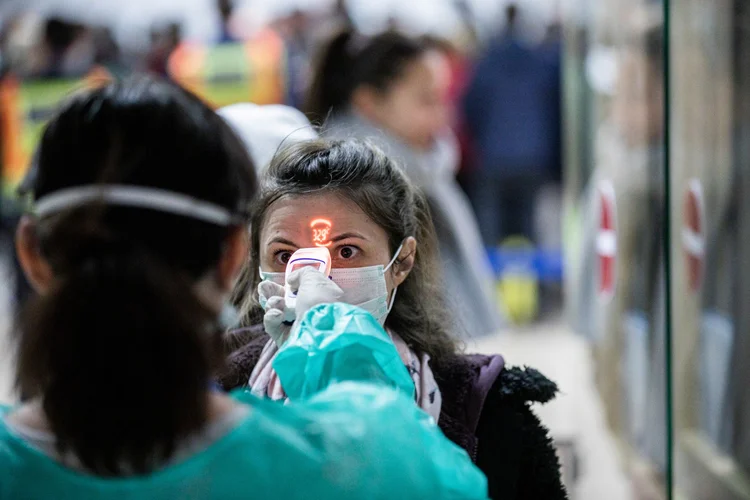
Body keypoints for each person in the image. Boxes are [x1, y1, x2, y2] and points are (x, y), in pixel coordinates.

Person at [0, 76, 488, 499]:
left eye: (347, 250)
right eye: (285, 253)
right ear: (237, 254)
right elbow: (393, 449)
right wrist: (331, 330)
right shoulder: (327, 463)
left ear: (33, 254)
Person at [221, 139, 569, 500]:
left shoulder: (489, 412)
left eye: (345, 251)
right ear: (254, 262)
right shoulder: (216, 391)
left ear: (401, 262)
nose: (313, 276)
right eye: (284, 255)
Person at [305, 29, 501, 337]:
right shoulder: (344, 189)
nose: (444, 117)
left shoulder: (428, 173)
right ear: (368, 102)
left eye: (445, 98)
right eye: (427, 100)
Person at [462, 3, 561, 248]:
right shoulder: (541, 62)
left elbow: (470, 106)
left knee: (489, 232)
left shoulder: (486, 62)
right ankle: (534, 284)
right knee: (529, 227)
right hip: (533, 156)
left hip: (493, 157)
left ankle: (489, 284)